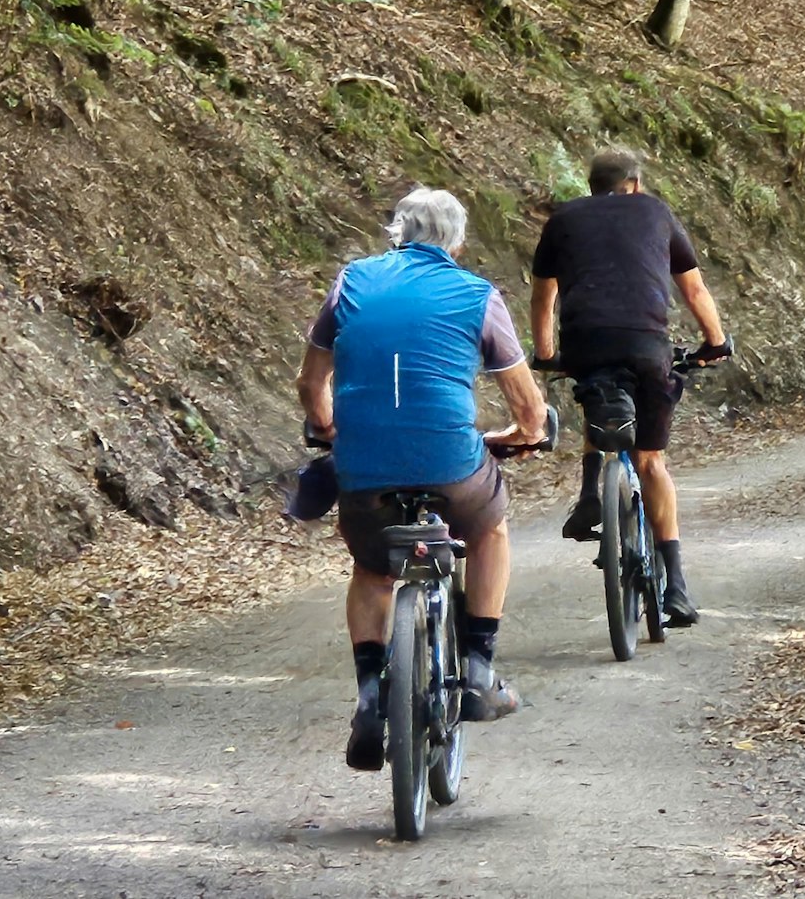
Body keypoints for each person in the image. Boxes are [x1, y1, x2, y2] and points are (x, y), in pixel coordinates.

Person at [297, 188, 550, 771]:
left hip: (364, 466)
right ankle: (480, 669)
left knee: (371, 566)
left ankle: (368, 693)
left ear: (398, 233)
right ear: (458, 242)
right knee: (490, 532)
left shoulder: (351, 283)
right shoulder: (477, 296)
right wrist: (520, 435)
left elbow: (312, 385)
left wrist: (331, 429)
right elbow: (529, 410)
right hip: (452, 463)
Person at [529, 149, 731, 628]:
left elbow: (544, 294)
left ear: (591, 184)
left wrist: (545, 354)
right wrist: (715, 343)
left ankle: (588, 495)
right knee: (650, 460)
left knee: (597, 395)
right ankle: (676, 588)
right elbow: (694, 290)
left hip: (586, 342)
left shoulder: (564, 218)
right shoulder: (656, 211)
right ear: (635, 184)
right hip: (646, 346)